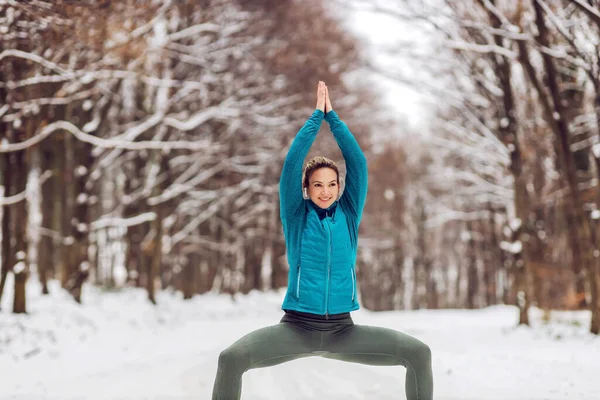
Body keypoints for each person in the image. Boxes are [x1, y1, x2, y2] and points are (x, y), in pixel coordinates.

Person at [212, 81, 433, 400]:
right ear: (307, 189)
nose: (326, 190)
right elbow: (291, 165)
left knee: (418, 353)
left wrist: (335, 120)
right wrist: (316, 117)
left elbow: (357, 163)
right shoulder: (296, 216)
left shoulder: (349, 214)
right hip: (297, 330)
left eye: (332, 183)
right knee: (230, 359)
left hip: (343, 331)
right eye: (318, 185)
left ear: (340, 187)